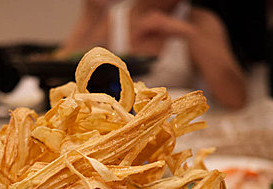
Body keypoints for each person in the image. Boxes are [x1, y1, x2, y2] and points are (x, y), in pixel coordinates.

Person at [60, 0, 247, 109]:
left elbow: (235, 99)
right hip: (122, 128)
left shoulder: (200, 20)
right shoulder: (113, 19)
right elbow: (63, 77)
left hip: (180, 128)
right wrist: (89, 15)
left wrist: (188, 32)